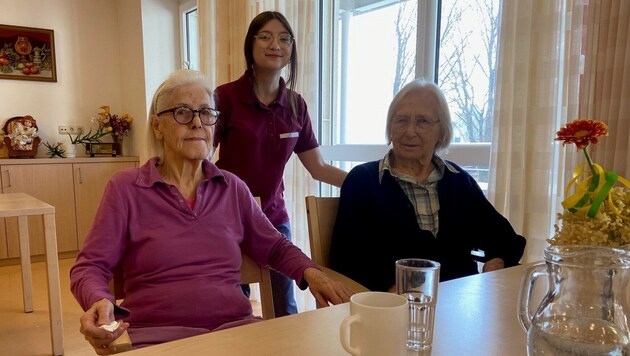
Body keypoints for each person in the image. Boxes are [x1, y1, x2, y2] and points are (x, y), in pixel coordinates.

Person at [70, 69, 353, 354]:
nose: (196, 123)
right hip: (157, 340)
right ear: (157, 126)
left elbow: (275, 248)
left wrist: (312, 272)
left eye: (206, 113)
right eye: (183, 112)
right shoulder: (126, 189)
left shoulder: (232, 188)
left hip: (236, 334)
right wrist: (98, 300)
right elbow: (90, 266)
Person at [329, 78, 526, 292]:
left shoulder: (459, 181)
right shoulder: (363, 181)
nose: (410, 131)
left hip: (461, 308)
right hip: (392, 310)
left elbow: (506, 240)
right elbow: (344, 260)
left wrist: (497, 261)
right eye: (401, 120)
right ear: (390, 127)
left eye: (422, 121)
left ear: (441, 130)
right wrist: (387, 289)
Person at [213, 11, 347, 317]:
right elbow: (203, 158)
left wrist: (367, 181)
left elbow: (319, 168)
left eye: (284, 38)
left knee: (284, 307)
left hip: (272, 216)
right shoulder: (225, 97)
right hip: (226, 216)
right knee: (231, 308)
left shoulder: (296, 105)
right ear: (251, 44)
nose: (276, 44)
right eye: (266, 36)